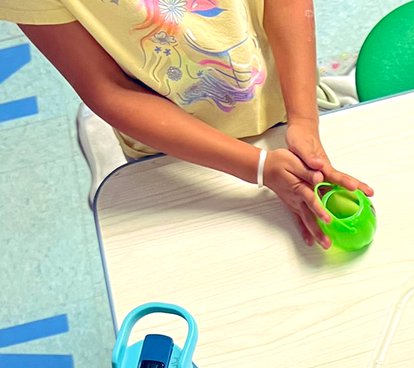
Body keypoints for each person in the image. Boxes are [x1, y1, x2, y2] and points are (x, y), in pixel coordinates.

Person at [1, 0, 368, 247]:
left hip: (276, 99)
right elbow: (106, 87)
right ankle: (99, 144)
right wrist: (256, 166)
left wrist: (303, 117)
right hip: (169, 145)